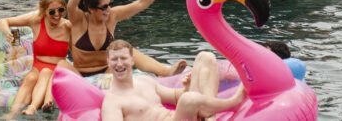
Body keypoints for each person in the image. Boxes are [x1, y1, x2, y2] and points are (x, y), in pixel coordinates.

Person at [66, 0, 187, 78]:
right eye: (104, 7)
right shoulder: (80, 20)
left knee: (127, 49)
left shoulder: (112, 16)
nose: (108, 10)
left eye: (110, 5)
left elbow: (141, 3)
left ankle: (166, 72)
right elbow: (71, 6)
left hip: (108, 70)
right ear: (91, 9)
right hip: (81, 74)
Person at [101, 40, 246, 121]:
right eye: (114, 59)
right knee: (188, 100)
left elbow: (177, 96)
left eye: (123, 58)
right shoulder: (112, 101)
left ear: (132, 60)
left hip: (180, 117)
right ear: (108, 62)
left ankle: (210, 118)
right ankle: (233, 102)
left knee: (205, 57)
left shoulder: (144, 81)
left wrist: (186, 87)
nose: (119, 64)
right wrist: (187, 95)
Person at [0, 0, 71, 116]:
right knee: (30, 78)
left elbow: (79, 48)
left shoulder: (68, 26)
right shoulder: (35, 20)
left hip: (58, 67)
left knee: (46, 73)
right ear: (43, 11)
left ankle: (34, 107)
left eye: (61, 10)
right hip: (38, 65)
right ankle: (11, 115)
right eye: (52, 11)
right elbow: (3, 21)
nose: (57, 14)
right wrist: (7, 33)